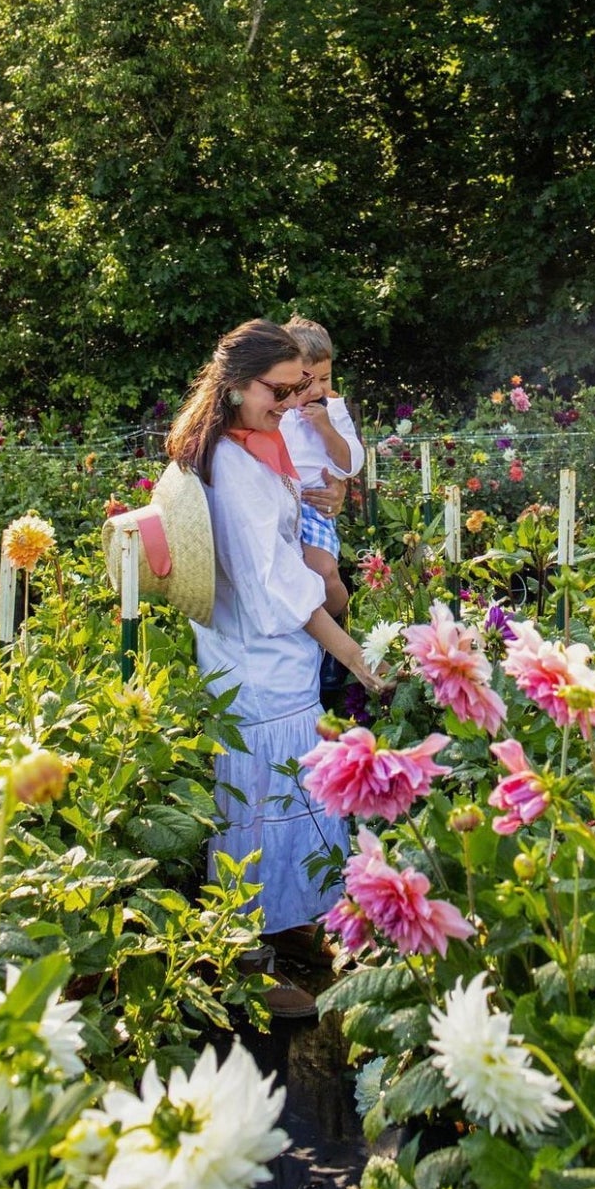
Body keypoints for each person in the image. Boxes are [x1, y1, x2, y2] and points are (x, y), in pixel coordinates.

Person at [167, 319, 389, 1017]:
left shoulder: (238, 442)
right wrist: (356, 656)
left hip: (258, 657)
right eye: (281, 390)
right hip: (260, 661)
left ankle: (288, 926)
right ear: (235, 384)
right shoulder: (234, 466)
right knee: (264, 804)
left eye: (301, 390)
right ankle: (244, 966)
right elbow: (285, 591)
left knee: (283, 800)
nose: (294, 404)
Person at [280, 315, 364, 621]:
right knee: (294, 579)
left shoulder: (335, 410)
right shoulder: (277, 410)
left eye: (325, 378)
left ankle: (341, 623)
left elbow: (352, 463)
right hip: (279, 505)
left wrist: (326, 429)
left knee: (324, 571)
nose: (317, 389)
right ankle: (318, 638)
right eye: (306, 380)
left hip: (314, 505)